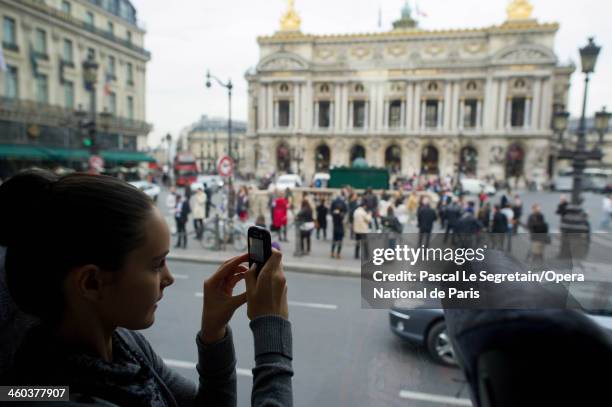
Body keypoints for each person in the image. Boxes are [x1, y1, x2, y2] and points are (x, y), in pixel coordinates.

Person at [0, 170, 293, 405]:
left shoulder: (124, 344)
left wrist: (213, 332)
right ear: (91, 282)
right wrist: (272, 334)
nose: (169, 277)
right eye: (156, 264)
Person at [330, 193, 348, 259]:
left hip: (335, 225)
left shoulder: (334, 204)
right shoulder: (343, 204)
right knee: (340, 240)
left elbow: (331, 212)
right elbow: (345, 212)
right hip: (340, 225)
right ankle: (338, 254)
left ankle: (332, 252)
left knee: (334, 239)